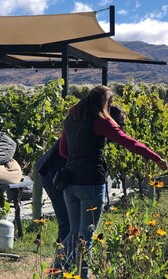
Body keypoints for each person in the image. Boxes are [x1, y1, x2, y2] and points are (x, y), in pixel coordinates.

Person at [57, 85, 168, 279]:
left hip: (70, 182)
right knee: (86, 237)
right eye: (110, 103)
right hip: (91, 183)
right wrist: (156, 158)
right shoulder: (100, 120)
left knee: (74, 234)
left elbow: (63, 151)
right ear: (104, 102)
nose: (110, 107)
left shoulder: (71, 118)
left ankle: (56, 271)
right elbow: (129, 142)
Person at [35, 104, 127, 243]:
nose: (121, 129)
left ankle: (69, 259)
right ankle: (63, 262)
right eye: (120, 124)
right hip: (53, 173)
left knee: (74, 226)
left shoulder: (94, 128)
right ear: (109, 120)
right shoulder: (91, 130)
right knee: (68, 223)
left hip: (61, 173)